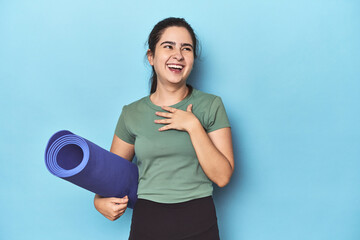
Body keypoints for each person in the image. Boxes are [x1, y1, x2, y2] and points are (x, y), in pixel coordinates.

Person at [94, 17, 234, 240]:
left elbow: (223, 176)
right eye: (168, 46)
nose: (178, 55)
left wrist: (192, 125)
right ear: (151, 57)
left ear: (192, 59)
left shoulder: (211, 105)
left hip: (199, 219)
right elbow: (112, 176)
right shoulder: (132, 113)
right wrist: (98, 201)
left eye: (186, 48)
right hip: (148, 221)